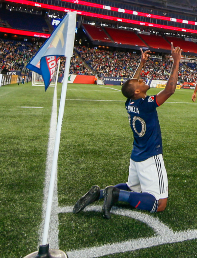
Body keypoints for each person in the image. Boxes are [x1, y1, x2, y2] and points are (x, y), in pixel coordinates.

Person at [72, 46, 182, 217]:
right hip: (150, 156)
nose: (141, 80)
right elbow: (170, 90)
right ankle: (116, 193)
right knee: (159, 204)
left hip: (136, 155)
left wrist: (142, 63)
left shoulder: (130, 103)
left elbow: (131, 85)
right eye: (139, 82)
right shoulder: (146, 104)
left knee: (133, 188)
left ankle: (100, 193)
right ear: (137, 91)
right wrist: (176, 62)